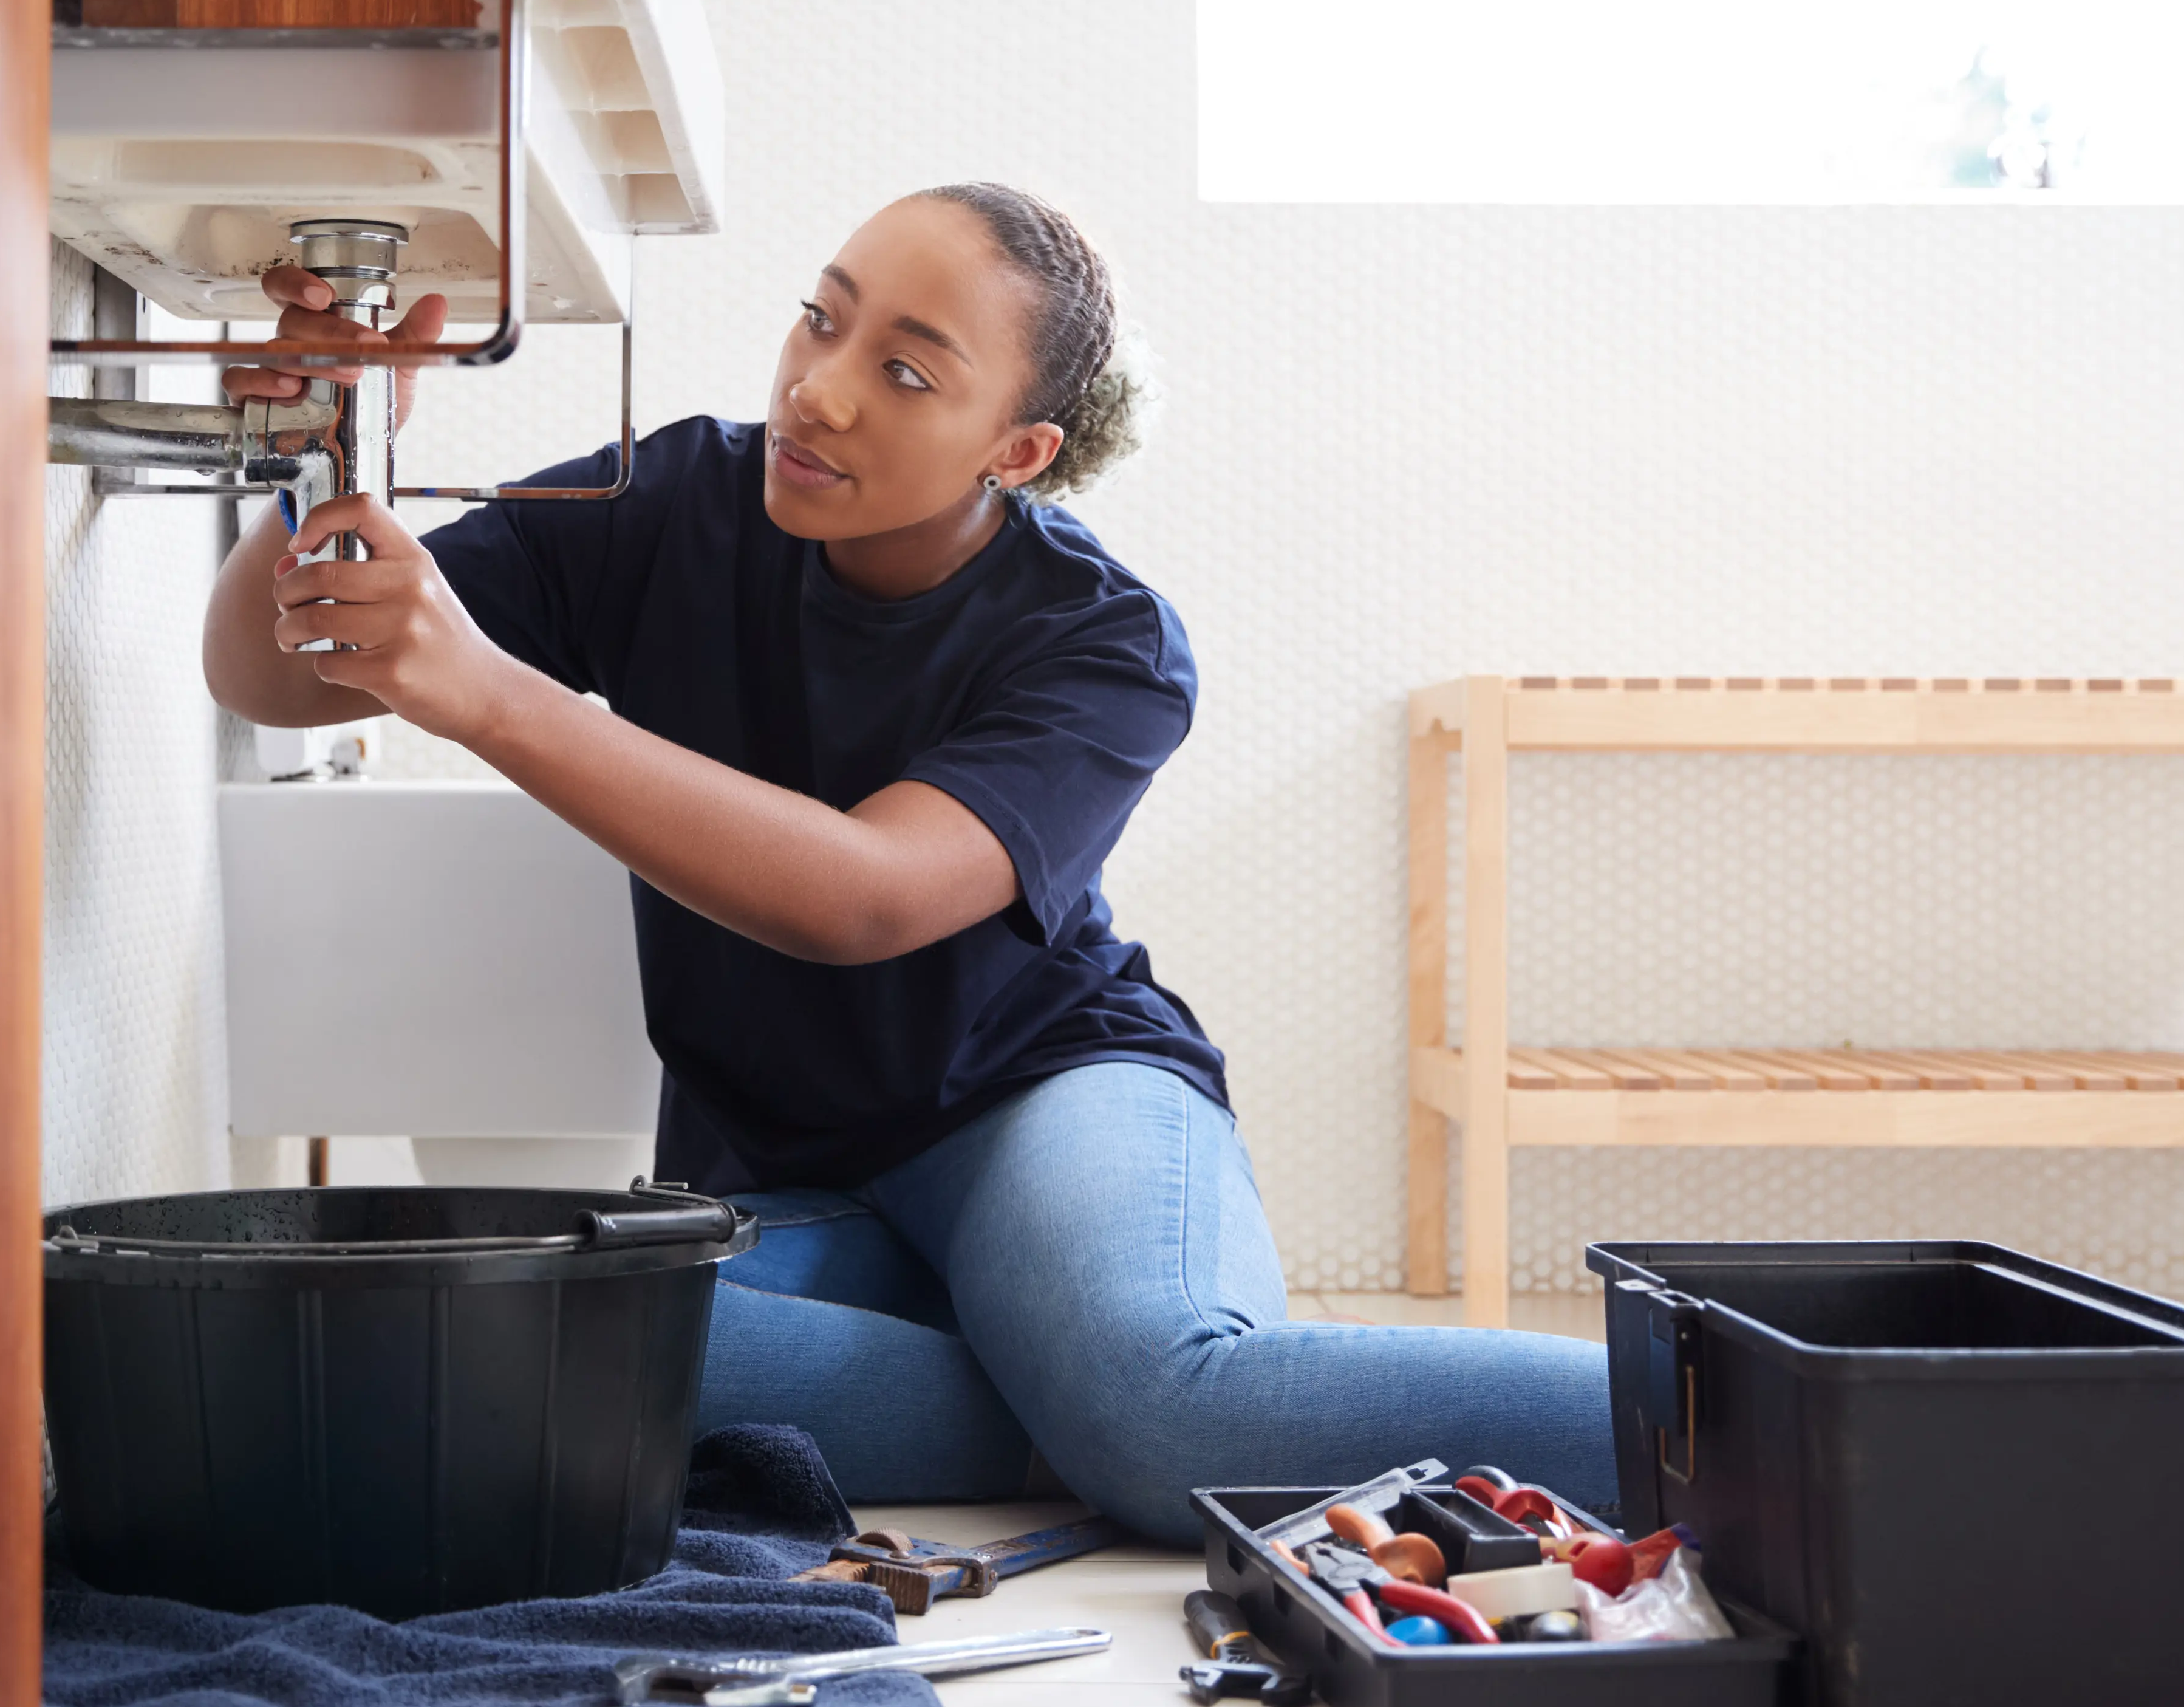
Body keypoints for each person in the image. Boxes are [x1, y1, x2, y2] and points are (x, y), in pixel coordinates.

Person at [203, 183, 1611, 1544]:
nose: (818, 389)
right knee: (515, 1350)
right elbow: (280, 673)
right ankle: (1064, 1405)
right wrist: (322, 447)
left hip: (1041, 1095)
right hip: (780, 1159)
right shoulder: (674, 499)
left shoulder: (1106, 641)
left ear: (1017, 452)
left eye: (908, 373)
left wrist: (498, 697)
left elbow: (859, 894)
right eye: (820, 320)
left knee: (1162, 1404)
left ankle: (1731, 1402)